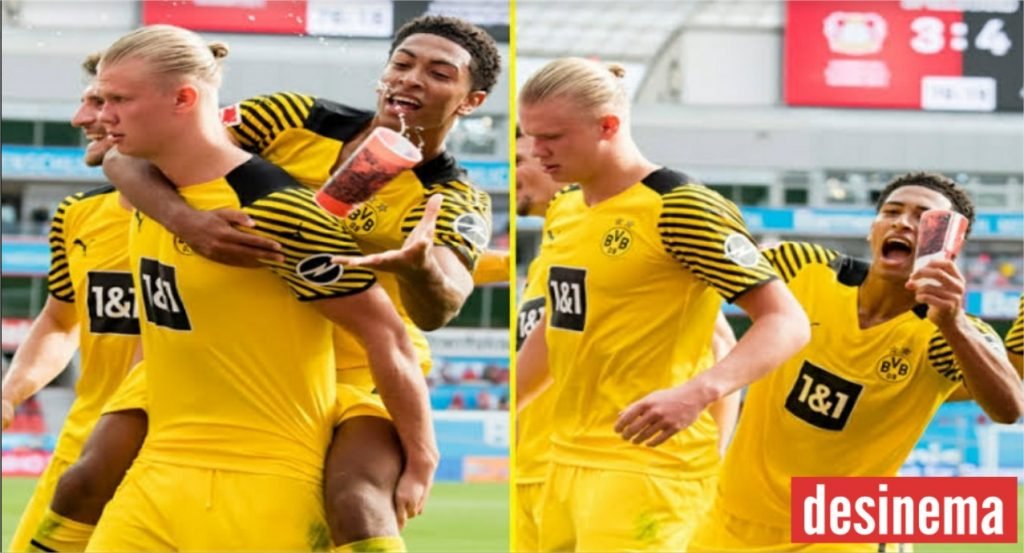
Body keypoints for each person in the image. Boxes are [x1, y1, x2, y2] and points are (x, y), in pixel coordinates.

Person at [51, 15, 501, 552]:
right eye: (401, 64)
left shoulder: (454, 197)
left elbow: (442, 302)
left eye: (438, 73)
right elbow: (130, 155)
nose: (411, 78)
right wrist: (189, 222)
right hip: (241, 350)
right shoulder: (292, 118)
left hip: (357, 367)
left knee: (356, 501)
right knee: (85, 480)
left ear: (470, 102)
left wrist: (418, 268)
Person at [515, 57, 810, 552]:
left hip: (648, 467)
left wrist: (697, 392)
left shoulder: (682, 207)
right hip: (561, 463)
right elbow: (558, 324)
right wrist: (511, 410)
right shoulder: (566, 208)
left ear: (608, 126)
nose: (534, 151)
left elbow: (787, 320)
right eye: (528, 135)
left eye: (552, 137)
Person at [689, 172, 1024, 552]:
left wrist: (953, 323)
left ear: (950, 244)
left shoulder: (945, 336)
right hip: (727, 520)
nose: (902, 222)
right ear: (873, 230)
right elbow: (702, 272)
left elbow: (1009, 408)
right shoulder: (801, 268)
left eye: (923, 218)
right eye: (892, 212)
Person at [513, 128, 740, 552]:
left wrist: (715, 456)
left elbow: (718, 345)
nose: (515, 174)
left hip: (624, 468)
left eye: (520, 161)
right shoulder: (558, 242)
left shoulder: (646, 226)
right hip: (544, 468)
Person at [0, 53, 148, 553]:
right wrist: (11, 392)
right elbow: (62, 321)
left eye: (105, 101)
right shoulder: (78, 214)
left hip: (180, 456)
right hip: (81, 445)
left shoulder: (228, 212)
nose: (82, 118)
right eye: (87, 100)